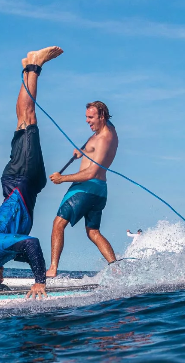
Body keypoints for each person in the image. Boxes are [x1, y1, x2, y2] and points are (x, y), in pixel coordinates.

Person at [0, 46, 63, 298]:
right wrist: (45, 268)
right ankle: (28, 67)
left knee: (27, 120)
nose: (3, 280)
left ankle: (34, 66)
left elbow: (31, 243)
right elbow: (29, 252)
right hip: (24, 184)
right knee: (24, 122)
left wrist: (39, 281)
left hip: (21, 180)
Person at [46, 101, 119, 277]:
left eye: (91, 117)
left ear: (102, 116)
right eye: (86, 117)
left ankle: (53, 269)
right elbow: (94, 144)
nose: (87, 121)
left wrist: (63, 178)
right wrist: (84, 150)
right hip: (100, 191)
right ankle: (116, 269)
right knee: (93, 232)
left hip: (85, 188)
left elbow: (91, 172)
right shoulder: (108, 129)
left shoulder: (103, 138)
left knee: (58, 224)